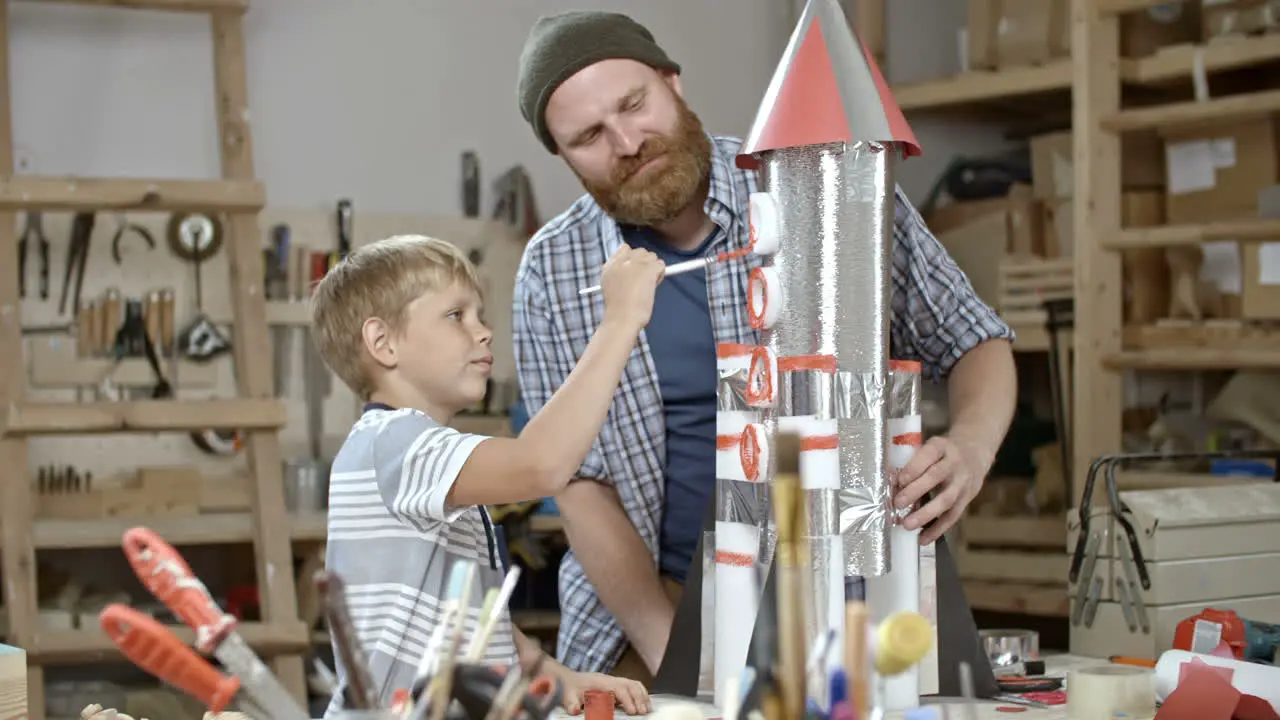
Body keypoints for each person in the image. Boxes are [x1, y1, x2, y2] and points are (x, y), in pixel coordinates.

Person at [510, 10, 1019, 694]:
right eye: (589, 136)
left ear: (672, 82)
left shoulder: (826, 185)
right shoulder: (553, 270)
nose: (627, 141)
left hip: (846, 587)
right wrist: (685, 660)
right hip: (646, 610)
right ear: (563, 155)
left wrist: (973, 449)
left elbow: (973, 339)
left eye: (635, 104)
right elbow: (575, 484)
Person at [309, 234, 660, 716]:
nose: (483, 331)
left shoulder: (421, 457)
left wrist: (557, 676)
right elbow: (542, 465)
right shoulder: (393, 443)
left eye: (480, 315)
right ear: (382, 343)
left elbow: (471, 618)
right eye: (456, 316)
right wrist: (620, 321)